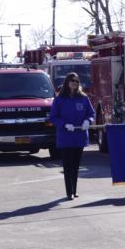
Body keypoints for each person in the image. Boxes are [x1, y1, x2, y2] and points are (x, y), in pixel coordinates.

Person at [49, 72, 95, 200]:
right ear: (67, 82)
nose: (74, 83)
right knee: (67, 165)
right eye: (72, 80)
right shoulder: (59, 99)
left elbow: (91, 113)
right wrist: (64, 125)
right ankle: (69, 192)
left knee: (75, 165)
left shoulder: (84, 98)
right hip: (65, 137)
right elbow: (53, 117)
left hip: (79, 136)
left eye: (76, 81)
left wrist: (88, 121)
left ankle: (74, 190)